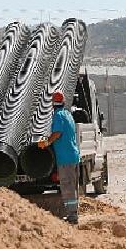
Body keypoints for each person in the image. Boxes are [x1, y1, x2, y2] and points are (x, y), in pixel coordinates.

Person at [37, 92, 80, 225]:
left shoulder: (58, 116)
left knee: (67, 187)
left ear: (52, 104)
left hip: (65, 158)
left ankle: (72, 216)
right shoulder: (67, 114)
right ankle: (73, 213)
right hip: (73, 155)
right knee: (72, 187)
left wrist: (47, 142)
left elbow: (57, 132)